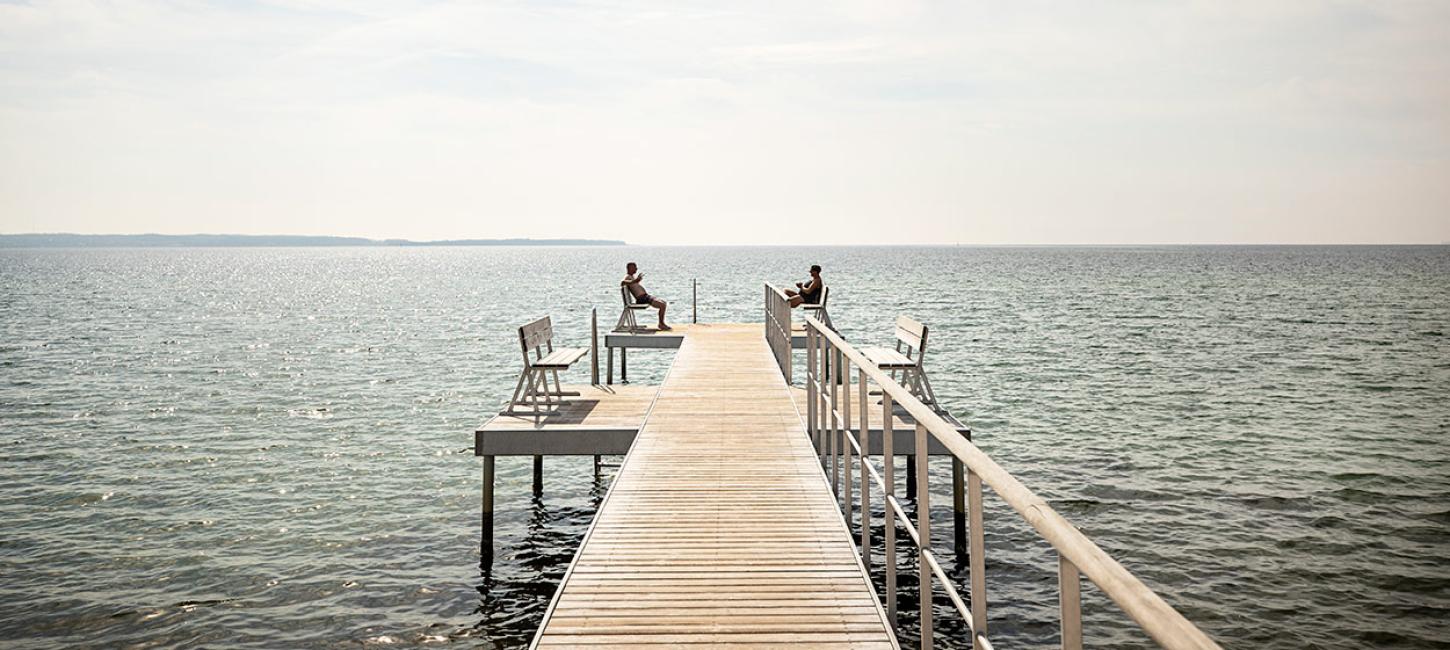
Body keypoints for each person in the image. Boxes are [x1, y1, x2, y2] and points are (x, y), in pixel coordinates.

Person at [622, 262, 670, 330]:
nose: (636, 268)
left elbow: (634, 285)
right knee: (662, 305)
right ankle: (661, 324)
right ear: (630, 268)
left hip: (645, 296)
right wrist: (635, 281)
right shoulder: (628, 277)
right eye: (634, 267)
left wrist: (636, 281)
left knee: (663, 303)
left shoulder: (632, 277)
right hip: (642, 299)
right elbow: (623, 282)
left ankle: (661, 323)